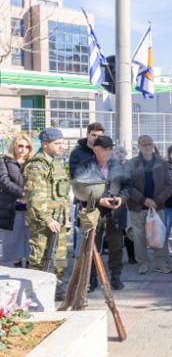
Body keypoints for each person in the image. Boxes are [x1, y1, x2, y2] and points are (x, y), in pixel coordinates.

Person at [75, 136, 129, 291]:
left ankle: (116, 278)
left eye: (110, 149)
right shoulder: (85, 166)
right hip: (94, 212)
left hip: (115, 213)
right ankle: (91, 280)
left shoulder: (118, 166)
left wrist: (122, 198)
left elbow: (128, 186)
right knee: (91, 247)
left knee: (116, 247)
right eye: (105, 149)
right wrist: (100, 200)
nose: (109, 152)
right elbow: (80, 190)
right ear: (96, 149)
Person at [24, 128, 69, 300]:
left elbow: (62, 192)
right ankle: (33, 293)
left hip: (59, 220)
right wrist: (47, 219)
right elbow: (35, 197)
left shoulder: (56, 162)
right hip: (43, 222)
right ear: (45, 144)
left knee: (61, 258)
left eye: (61, 142)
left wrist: (64, 216)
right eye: (57, 143)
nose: (61, 146)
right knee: (39, 258)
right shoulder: (36, 166)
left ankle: (57, 287)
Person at [126, 135, 172, 275]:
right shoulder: (131, 164)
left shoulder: (162, 163)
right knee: (139, 237)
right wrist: (143, 200)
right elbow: (128, 186)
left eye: (150, 144)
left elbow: (169, 186)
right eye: (144, 144)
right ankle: (143, 263)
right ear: (139, 146)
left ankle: (162, 263)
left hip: (157, 207)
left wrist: (157, 201)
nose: (148, 147)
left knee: (159, 235)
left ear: (153, 145)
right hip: (137, 207)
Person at [68, 122, 104, 258]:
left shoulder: (103, 150)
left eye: (99, 136)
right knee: (82, 238)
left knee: (96, 241)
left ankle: (93, 273)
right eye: (93, 135)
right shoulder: (77, 153)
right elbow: (75, 175)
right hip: (83, 202)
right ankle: (80, 273)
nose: (96, 138)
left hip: (101, 201)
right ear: (87, 134)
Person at [0, 134, 33, 267]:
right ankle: (18, 271)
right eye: (20, 145)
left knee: (31, 246)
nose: (23, 149)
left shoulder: (32, 163)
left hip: (30, 209)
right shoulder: (4, 161)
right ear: (14, 146)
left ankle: (30, 277)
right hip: (11, 209)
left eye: (27, 146)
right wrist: (22, 194)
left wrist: (30, 196)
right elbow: (3, 181)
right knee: (14, 246)